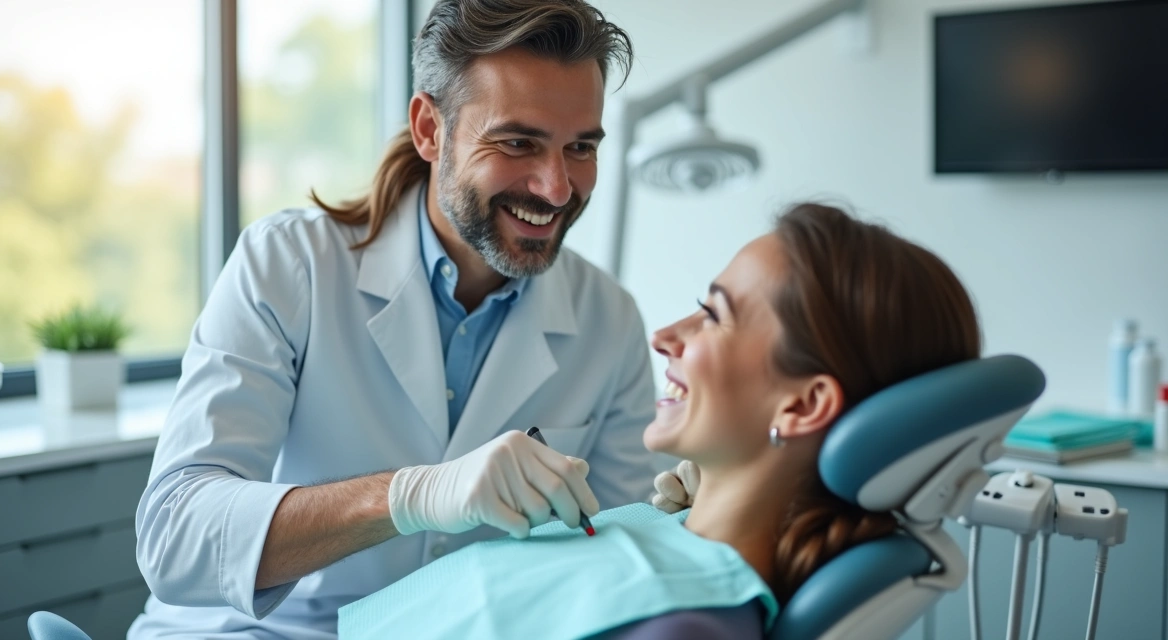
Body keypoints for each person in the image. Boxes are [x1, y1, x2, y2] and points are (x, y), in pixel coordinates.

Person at [128, 2, 659, 638]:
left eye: (580, 148)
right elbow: (175, 534)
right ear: (430, 129)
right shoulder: (290, 265)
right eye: (518, 142)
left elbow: (613, 561)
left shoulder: (611, 323)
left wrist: (676, 525)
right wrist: (411, 496)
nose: (556, 188)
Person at [335, 203, 983, 639]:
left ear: (804, 405)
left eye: (716, 315)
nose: (667, 335)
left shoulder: (686, 625)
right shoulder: (667, 536)